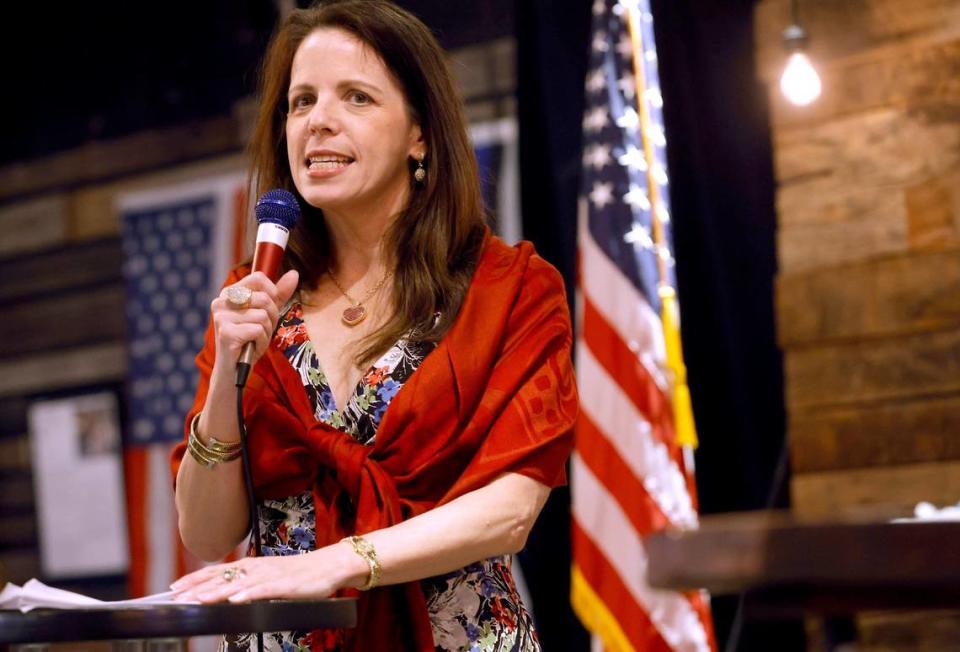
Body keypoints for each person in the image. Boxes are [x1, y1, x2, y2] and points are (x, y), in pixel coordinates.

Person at [169, 1, 577, 650]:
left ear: (420, 133)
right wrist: (226, 378)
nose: (318, 122)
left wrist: (336, 562)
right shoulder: (254, 297)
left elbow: (511, 511)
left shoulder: (511, 290)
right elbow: (206, 533)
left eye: (355, 98)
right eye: (301, 103)